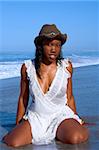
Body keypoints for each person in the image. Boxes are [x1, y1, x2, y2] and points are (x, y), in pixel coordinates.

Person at [3, 24, 89, 147]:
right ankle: (56, 133)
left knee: (75, 137)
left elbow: (69, 97)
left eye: (57, 45)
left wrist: (76, 119)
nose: (54, 49)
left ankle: (65, 130)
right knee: (13, 142)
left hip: (60, 115)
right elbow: (23, 98)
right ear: (41, 46)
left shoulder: (66, 67)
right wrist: (18, 124)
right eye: (49, 44)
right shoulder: (28, 68)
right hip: (36, 117)